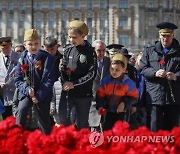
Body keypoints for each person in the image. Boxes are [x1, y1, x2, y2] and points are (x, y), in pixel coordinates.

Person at [140, 22, 180, 132]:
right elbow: (143, 69)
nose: (165, 39)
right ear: (159, 35)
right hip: (155, 97)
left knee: (173, 131)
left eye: (168, 35)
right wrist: (155, 73)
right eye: (163, 35)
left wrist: (175, 76)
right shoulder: (149, 51)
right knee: (154, 128)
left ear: (173, 35)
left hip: (174, 98)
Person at [14, 29, 55, 134]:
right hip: (27, 92)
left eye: (36, 43)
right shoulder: (21, 58)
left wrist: (39, 95)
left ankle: (46, 142)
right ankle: (18, 139)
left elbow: (50, 80)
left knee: (44, 120)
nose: (33, 46)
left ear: (40, 43)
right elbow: (17, 79)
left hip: (43, 93)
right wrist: (27, 90)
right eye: (30, 44)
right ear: (25, 45)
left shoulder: (47, 58)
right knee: (21, 111)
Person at [60, 20, 97, 130]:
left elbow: (91, 74)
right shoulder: (68, 50)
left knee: (82, 124)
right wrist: (65, 82)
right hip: (67, 92)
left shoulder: (90, 52)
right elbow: (63, 68)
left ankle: (83, 145)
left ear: (83, 36)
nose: (71, 40)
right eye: (70, 37)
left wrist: (74, 84)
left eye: (74, 37)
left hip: (83, 94)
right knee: (63, 117)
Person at [96, 53, 139, 130]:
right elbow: (100, 95)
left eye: (117, 70)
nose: (114, 72)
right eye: (112, 69)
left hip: (122, 113)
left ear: (124, 70)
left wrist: (124, 103)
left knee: (120, 134)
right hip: (108, 112)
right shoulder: (106, 81)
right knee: (107, 132)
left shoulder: (128, 83)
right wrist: (100, 106)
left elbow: (134, 97)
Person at [89, 40, 111, 131]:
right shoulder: (88, 62)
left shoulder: (109, 62)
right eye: (98, 50)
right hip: (93, 102)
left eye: (103, 50)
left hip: (107, 102)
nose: (101, 53)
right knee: (94, 132)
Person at [0, 37, 20, 119]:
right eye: (3, 48)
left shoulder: (18, 57)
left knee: (17, 119)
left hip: (15, 93)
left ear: (11, 46)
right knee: (5, 119)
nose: (5, 49)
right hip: (2, 94)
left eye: (7, 47)